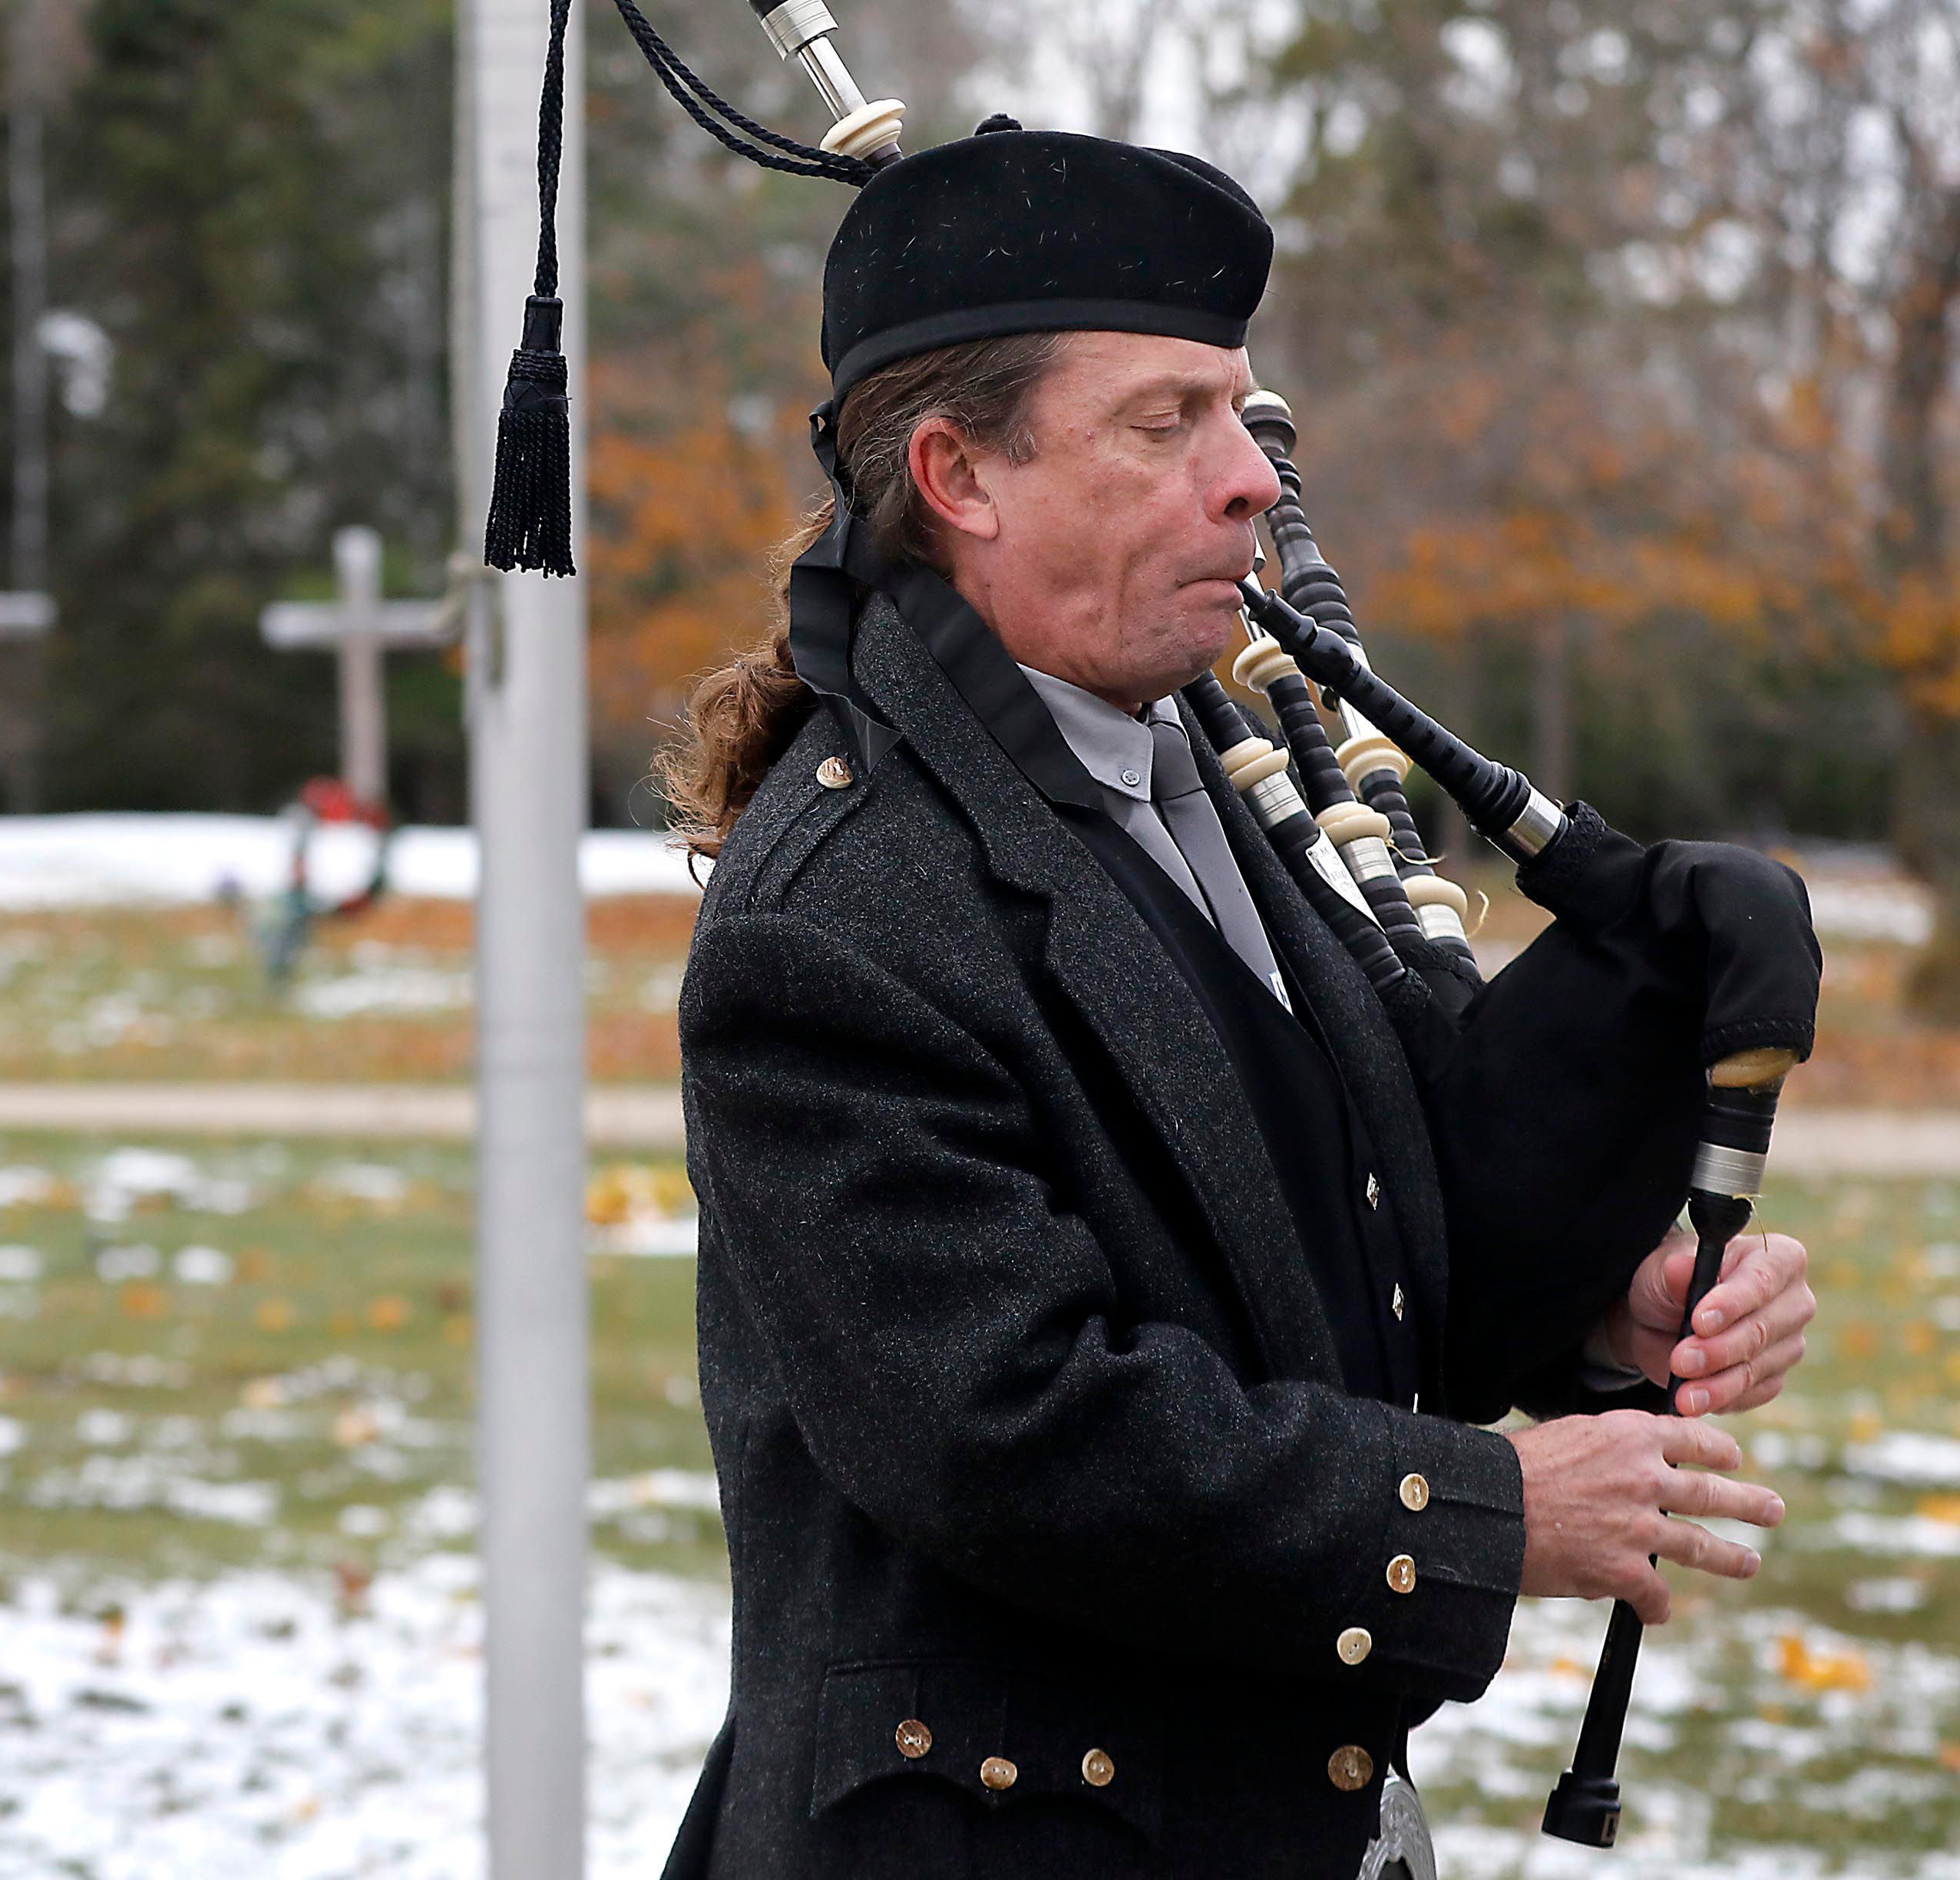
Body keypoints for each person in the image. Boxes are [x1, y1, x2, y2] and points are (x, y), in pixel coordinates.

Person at [653, 124, 1816, 1880]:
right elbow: (1013, 1431)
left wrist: (1607, 1321)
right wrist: (1493, 1516)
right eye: (1166, 422)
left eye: (1242, 413)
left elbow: (1316, 1235)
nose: (1253, 477)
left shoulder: (1203, 769)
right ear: (962, 475)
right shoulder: (841, 917)